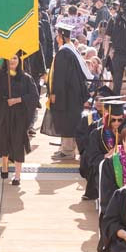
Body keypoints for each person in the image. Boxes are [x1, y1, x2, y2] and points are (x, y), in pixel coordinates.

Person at [0, 53, 39, 186]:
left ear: (19, 60)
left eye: (15, 58)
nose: (13, 60)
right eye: (10, 58)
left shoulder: (26, 78)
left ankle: (17, 175)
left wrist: (17, 100)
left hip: (19, 115)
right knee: (4, 139)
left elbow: (34, 97)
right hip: (3, 112)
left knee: (18, 142)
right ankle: (4, 166)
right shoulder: (1, 75)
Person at [45, 21, 89, 161]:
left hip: (66, 96)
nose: (56, 39)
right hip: (71, 95)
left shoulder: (64, 53)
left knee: (67, 121)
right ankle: (65, 149)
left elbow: (59, 78)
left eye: (58, 36)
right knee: (68, 121)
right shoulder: (71, 50)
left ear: (61, 36)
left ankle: (68, 151)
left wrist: (54, 94)